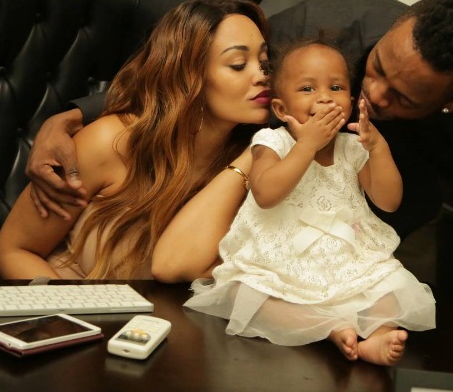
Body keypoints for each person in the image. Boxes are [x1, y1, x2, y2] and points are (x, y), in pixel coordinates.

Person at [24, 0, 453, 244]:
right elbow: (194, 71)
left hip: (394, 207)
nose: (374, 95)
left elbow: (434, 194)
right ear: (396, 26)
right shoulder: (323, 28)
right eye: (375, 69)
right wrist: (69, 118)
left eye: (403, 98)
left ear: (452, 103)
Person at [184, 40, 436, 365]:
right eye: (307, 88)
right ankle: (332, 328)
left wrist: (378, 148)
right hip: (281, 257)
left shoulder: (352, 147)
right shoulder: (271, 142)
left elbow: (389, 201)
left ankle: (379, 333)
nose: (325, 97)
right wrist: (306, 145)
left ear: (351, 101)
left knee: (391, 283)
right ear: (281, 109)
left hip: (347, 257)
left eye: (336, 87)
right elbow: (266, 194)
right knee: (243, 292)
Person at [0, 0, 272, 280]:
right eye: (238, 64)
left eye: (265, 62)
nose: (262, 76)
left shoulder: (260, 159)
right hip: (68, 303)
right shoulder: (109, 142)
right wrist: (70, 307)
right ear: (187, 75)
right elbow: (14, 250)